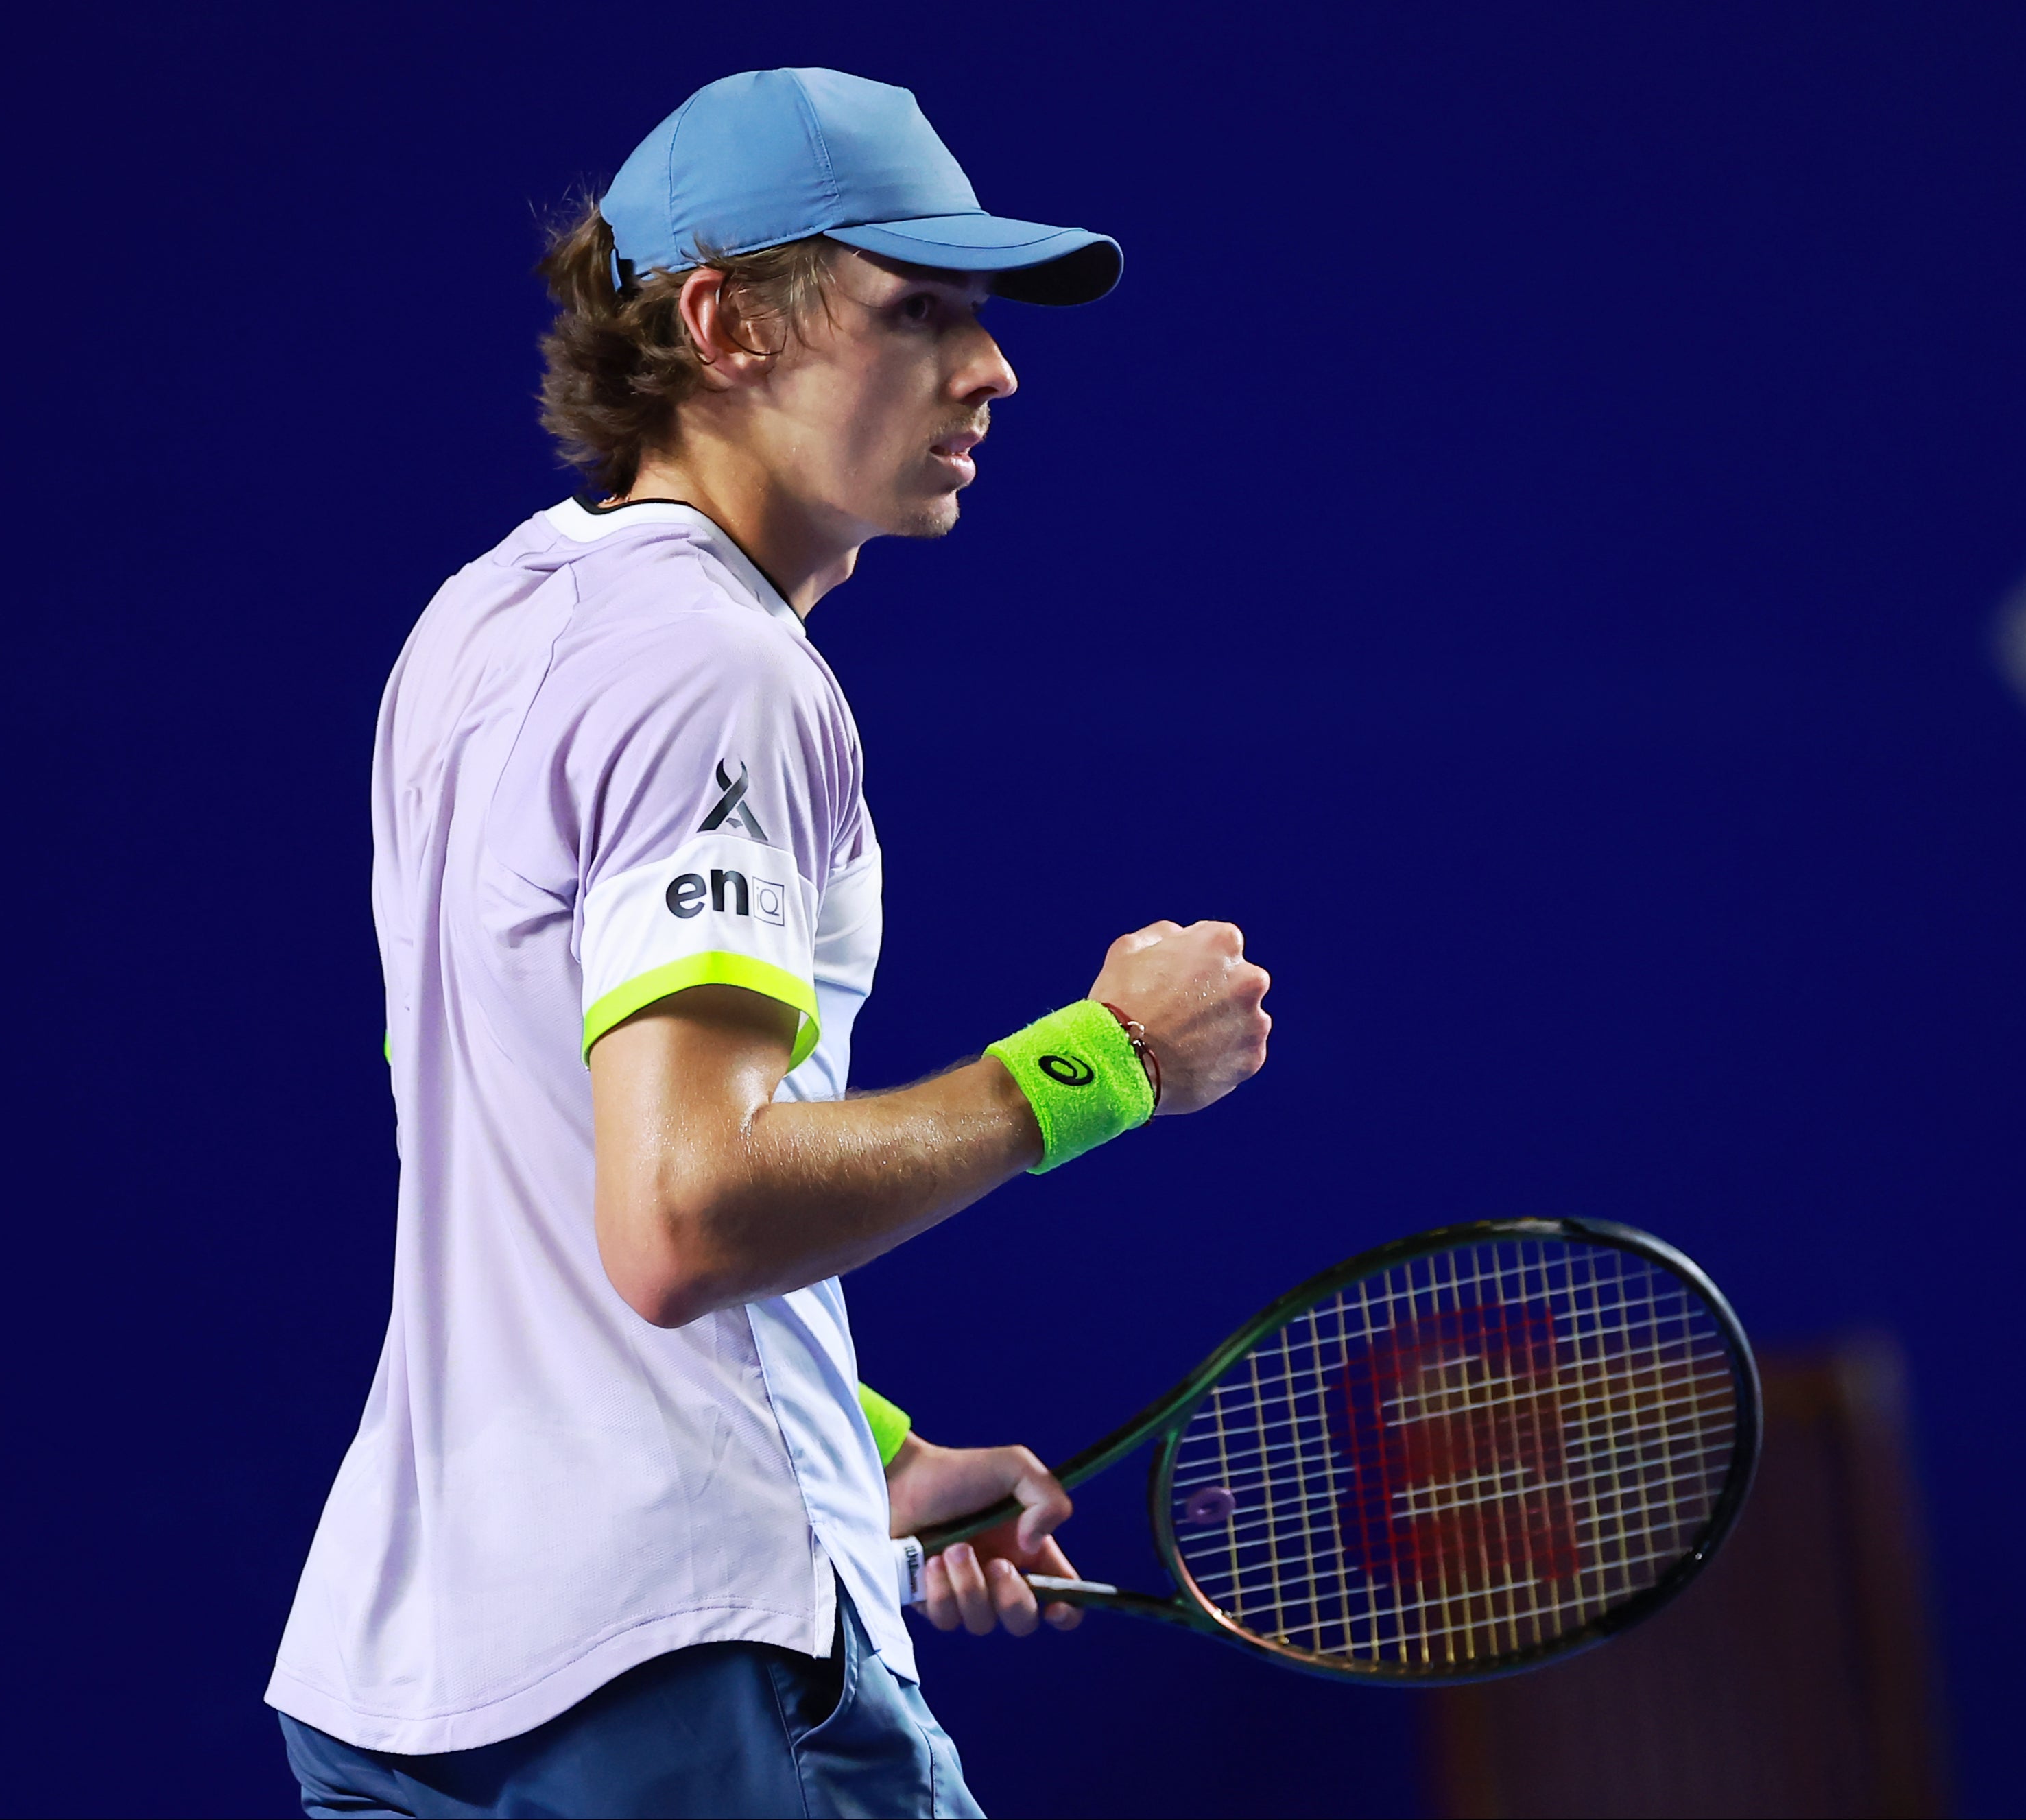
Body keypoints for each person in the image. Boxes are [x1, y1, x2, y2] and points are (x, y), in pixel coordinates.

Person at [265, 67, 1273, 1819]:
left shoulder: (483, 623)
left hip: (409, 1686)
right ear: (723, 324)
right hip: (675, 1669)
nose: (992, 367)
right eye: (920, 311)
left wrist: (860, 1459)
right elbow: (680, 1216)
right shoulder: (716, 667)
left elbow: (540, 1148)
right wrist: (1105, 1065)